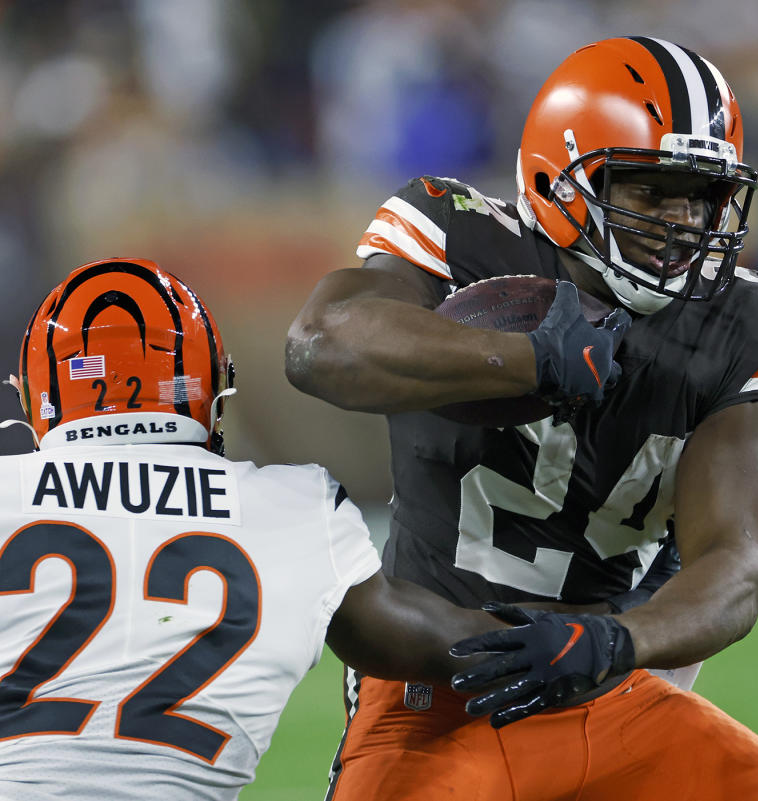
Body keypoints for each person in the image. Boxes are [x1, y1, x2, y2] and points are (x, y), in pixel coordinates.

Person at [286, 36, 758, 801]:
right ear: (560, 179)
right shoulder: (462, 236)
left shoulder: (744, 319)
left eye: (700, 195)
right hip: (439, 684)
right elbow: (319, 345)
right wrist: (527, 357)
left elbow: (736, 568)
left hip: (610, 685)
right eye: (650, 190)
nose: (684, 222)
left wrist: (613, 640)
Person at [0, 258, 512, 801]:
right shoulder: (296, 507)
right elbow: (443, 645)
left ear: (32, 396)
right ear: (213, 389)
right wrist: (596, 639)